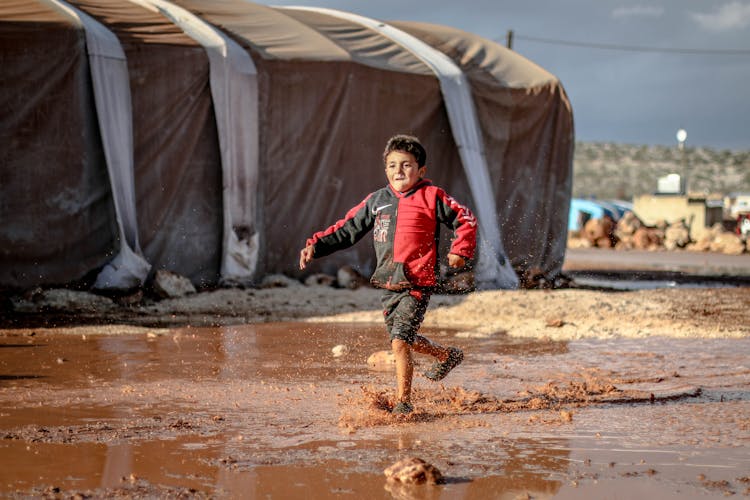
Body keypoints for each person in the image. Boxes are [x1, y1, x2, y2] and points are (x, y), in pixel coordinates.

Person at [299, 134, 477, 415]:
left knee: (399, 341)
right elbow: (347, 230)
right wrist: (316, 245)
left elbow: (465, 219)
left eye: (407, 165)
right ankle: (446, 355)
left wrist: (461, 249)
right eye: (393, 165)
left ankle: (404, 403)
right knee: (403, 337)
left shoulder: (432, 196)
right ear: (385, 170)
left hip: (417, 281)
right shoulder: (377, 201)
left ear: (421, 171)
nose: (399, 171)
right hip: (388, 281)